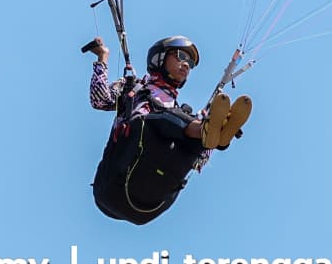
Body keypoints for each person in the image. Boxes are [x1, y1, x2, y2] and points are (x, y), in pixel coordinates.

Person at [86, 35, 250, 224]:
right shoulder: (135, 87)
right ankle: (205, 130)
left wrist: (210, 139)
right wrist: (102, 58)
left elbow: (198, 162)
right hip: (113, 184)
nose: (187, 65)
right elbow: (100, 99)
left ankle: (213, 132)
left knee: (191, 139)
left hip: (150, 202)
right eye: (181, 56)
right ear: (160, 58)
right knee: (168, 120)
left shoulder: (178, 111)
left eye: (190, 62)